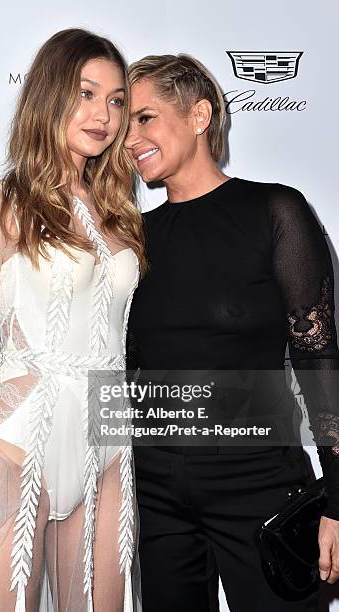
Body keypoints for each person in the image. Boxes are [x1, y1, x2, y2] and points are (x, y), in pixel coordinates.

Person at [0, 28, 146, 612]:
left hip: (107, 446)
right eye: (86, 93)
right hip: (11, 450)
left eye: (116, 101)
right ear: (49, 94)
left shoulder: (120, 211)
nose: (104, 115)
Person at [124, 53, 339, 612]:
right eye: (125, 125)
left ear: (199, 115)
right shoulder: (132, 238)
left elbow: (319, 359)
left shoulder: (274, 211)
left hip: (260, 483)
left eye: (144, 118)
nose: (130, 138)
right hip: (154, 492)